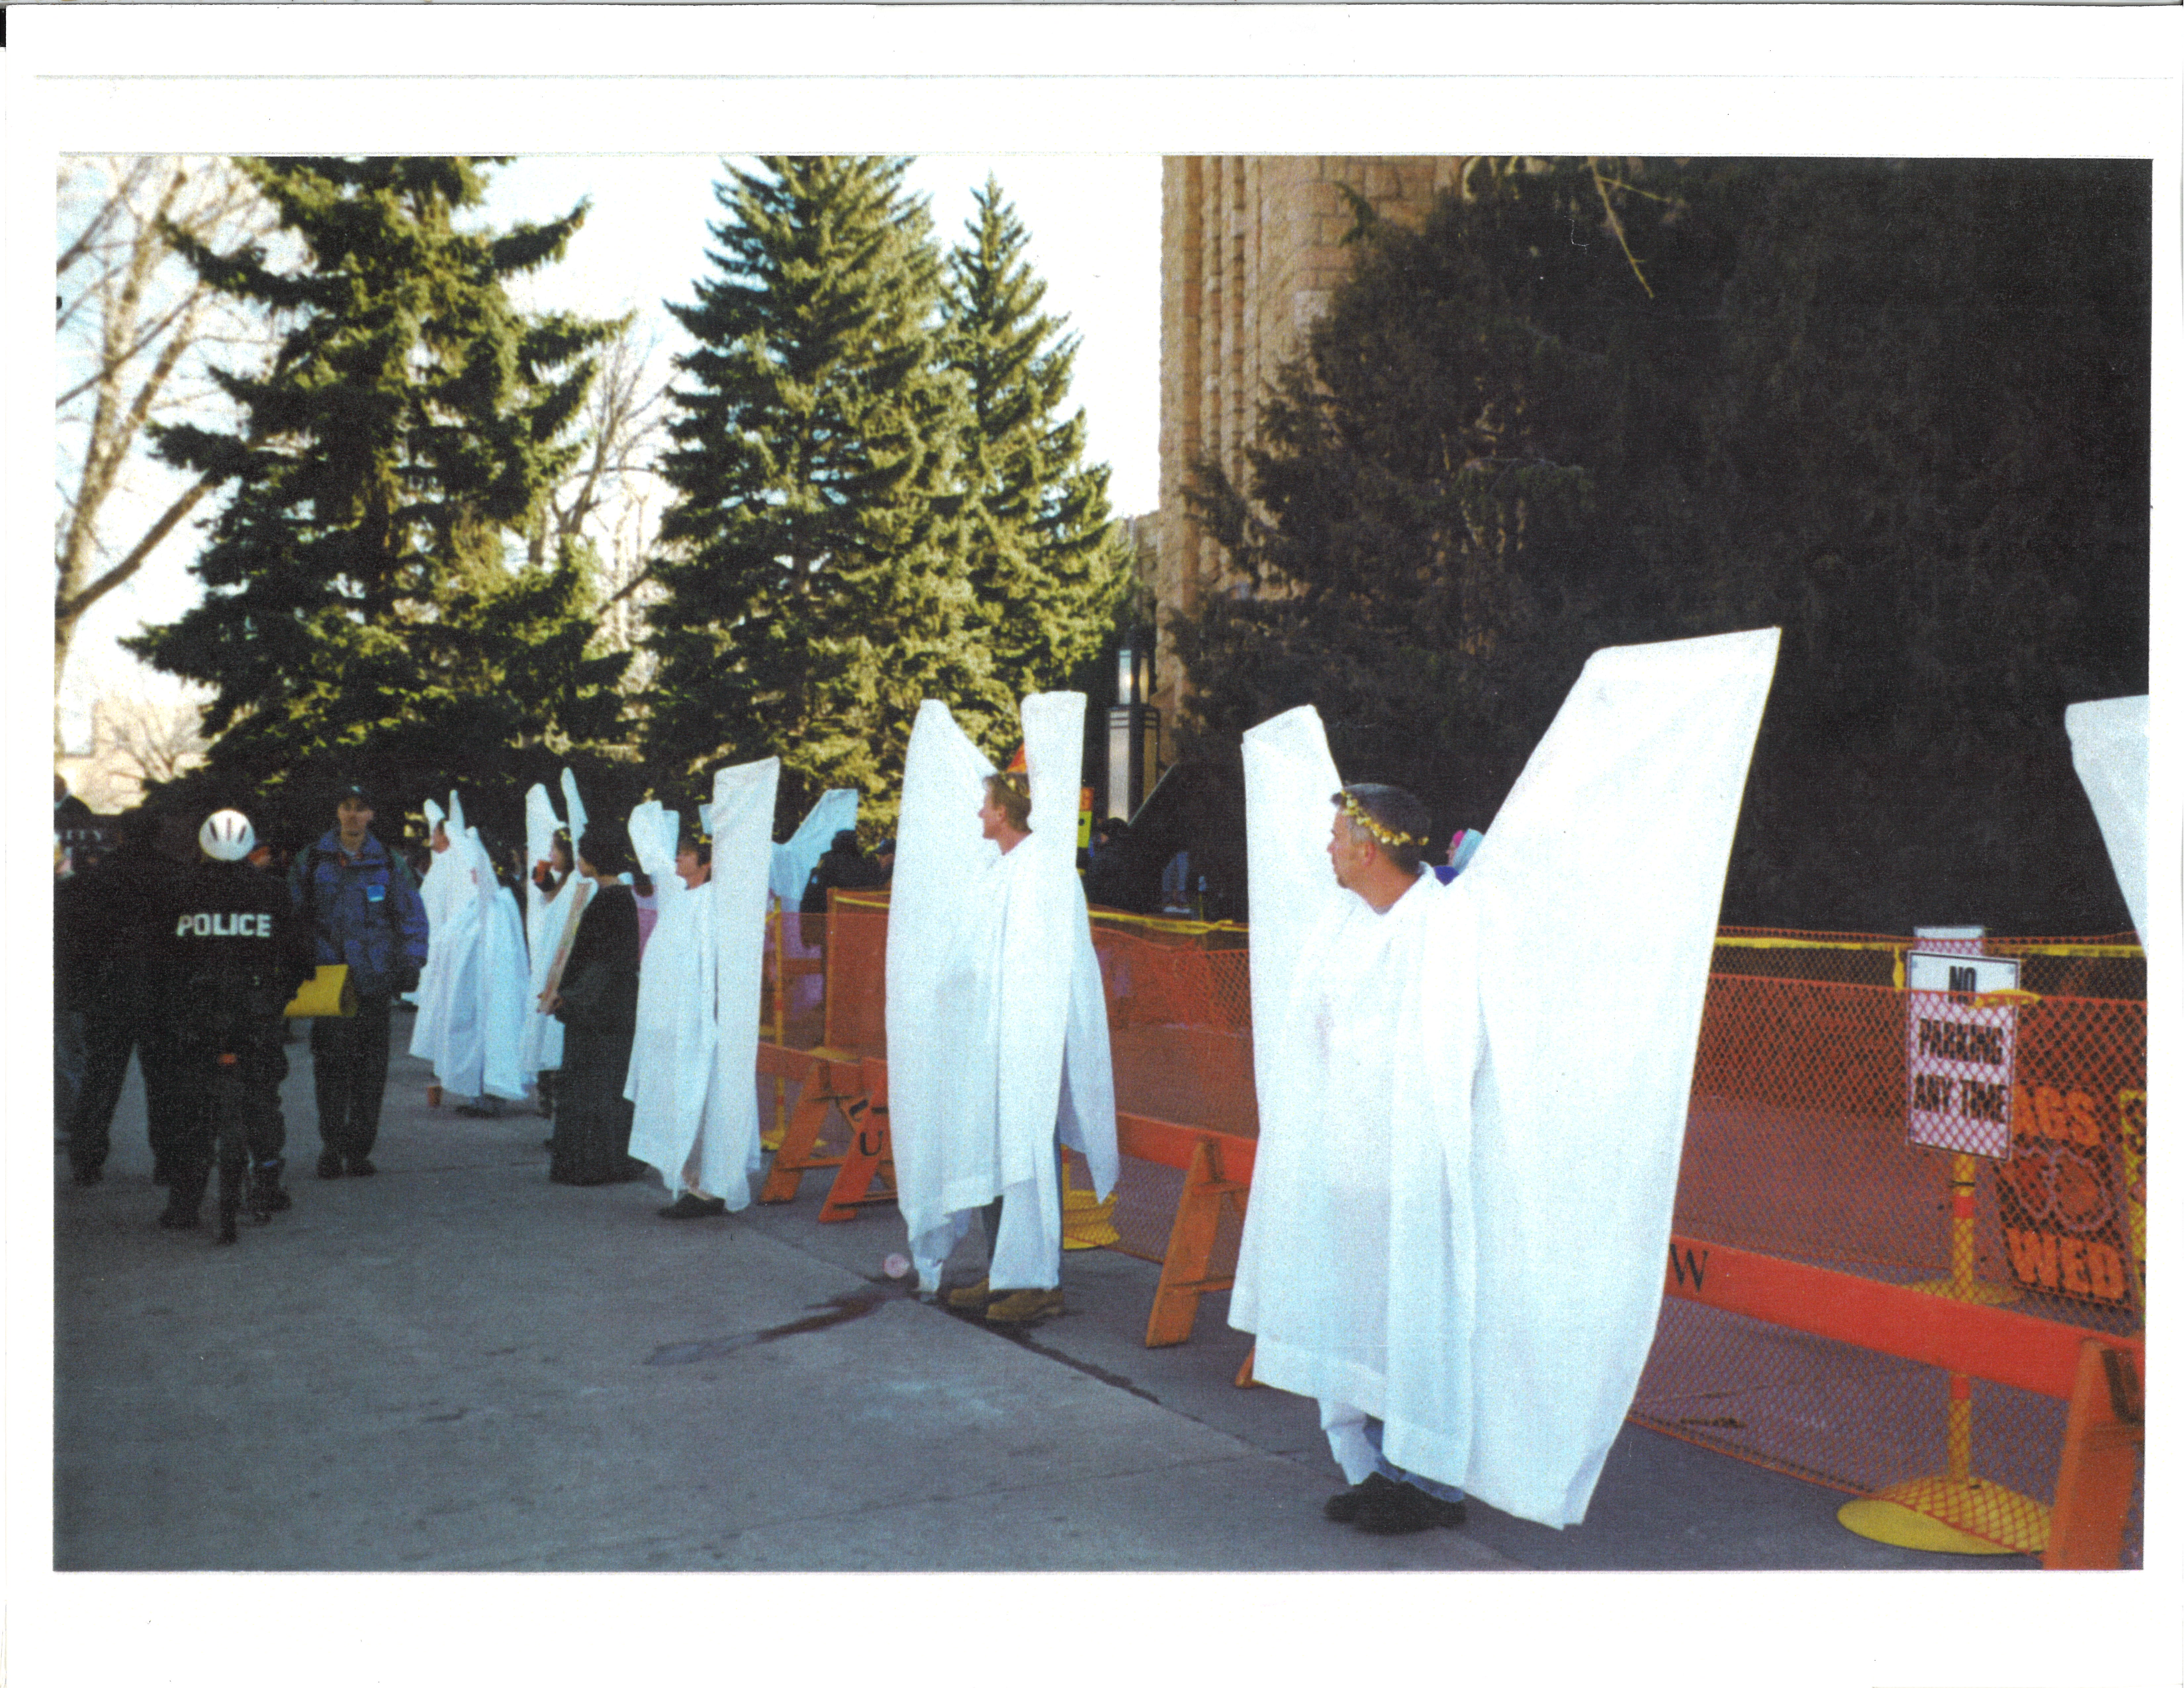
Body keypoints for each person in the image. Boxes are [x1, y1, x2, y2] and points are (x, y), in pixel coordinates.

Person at [1232, 631, 1778, 1539]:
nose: (1326, 846)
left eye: (1338, 832)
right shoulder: (1344, 926)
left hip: (1422, 1167)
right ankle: (1373, 1462)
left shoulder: (1442, 926)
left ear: (1373, 845)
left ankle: (1426, 1477)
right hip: (1357, 1164)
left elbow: (1453, 1053)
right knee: (1364, 1316)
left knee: (1419, 1323)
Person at [887, 693, 1119, 1325]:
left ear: (1004, 811)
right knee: (994, 1151)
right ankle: (1005, 1269)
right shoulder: (1001, 873)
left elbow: (1052, 966)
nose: (978, 812)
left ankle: (1036, 1278)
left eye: (986, 802)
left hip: (1026, 1042)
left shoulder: (1045, 873)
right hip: (991, 1041)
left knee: (1027, 1154)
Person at [161, 809, 315, 1241]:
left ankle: (185, 1201)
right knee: (262, 1096)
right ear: (250, 846)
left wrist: (173, 1005)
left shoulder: (181, 892)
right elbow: (302, 956)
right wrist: (278, 999)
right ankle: (267, 1185)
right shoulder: (272, 892)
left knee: (191, 1105)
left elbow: (161, 958)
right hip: (256, 1014)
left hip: (198, 1015)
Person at [290, 783, 429, 1179]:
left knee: (370, 1072)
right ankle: (332, 1147)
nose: (353, 816)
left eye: (361, 809)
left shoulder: (388, 862)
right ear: (337, 812)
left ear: (372, 815)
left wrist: (413, 960)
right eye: (347, 807)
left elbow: (411, 915)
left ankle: (359, 1150)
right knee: (331, 1069)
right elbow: (292, 914)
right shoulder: (313, 860)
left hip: (374, 981)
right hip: (330, 982)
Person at [56, 807, 192, 1186]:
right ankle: (168, 1161)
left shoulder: (94, 879)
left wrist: (79, 992)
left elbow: (74, 940)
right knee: (165, 1082)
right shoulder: (177, 877)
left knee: (101, 1079)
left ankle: (86, 1159)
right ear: (158, 833)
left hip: (109, 992)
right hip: (163, 991)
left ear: (120, 835)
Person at [544, 827, 643, 1186]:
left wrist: (570, 996)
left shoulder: (609, 900)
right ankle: (605, 1161)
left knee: (592, 1085)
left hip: (600, 1009)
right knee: (602, 1085)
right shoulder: (614, 897)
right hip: (608, 1006)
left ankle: (592, 1164)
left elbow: (602, 962)